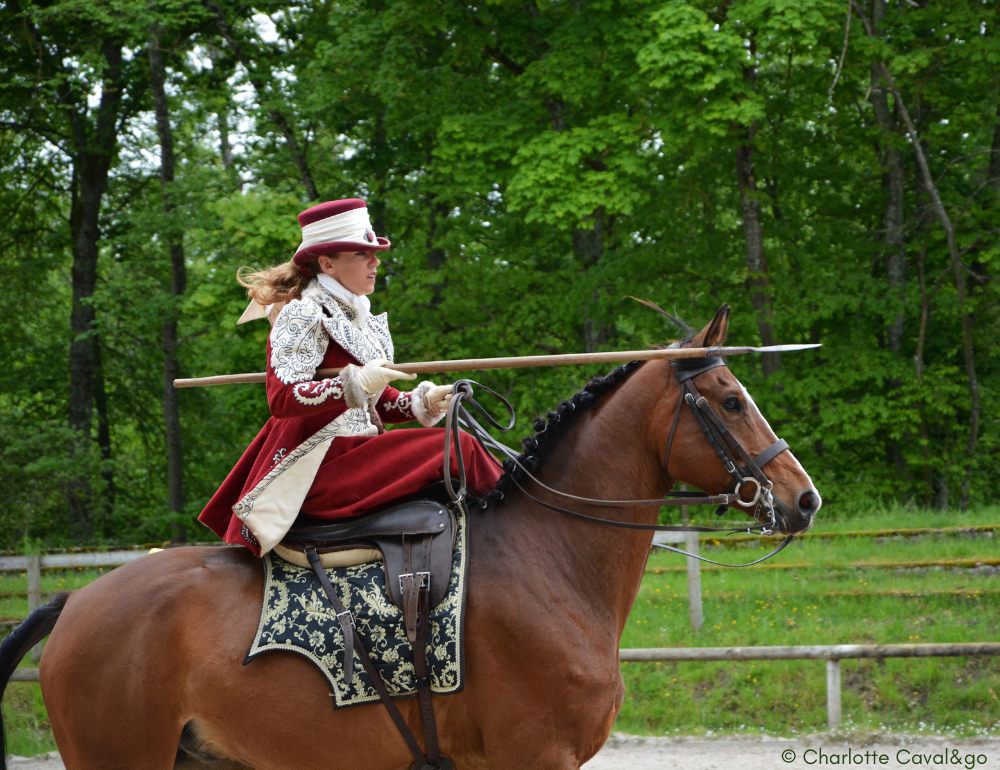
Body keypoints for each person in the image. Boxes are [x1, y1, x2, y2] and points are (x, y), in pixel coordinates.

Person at [199, 198, 502, 557]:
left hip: (358, 451)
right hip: (319, 467)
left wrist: (420, 401)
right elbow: (282, 399)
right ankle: (519, 530)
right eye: (362, 254)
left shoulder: (356, 313)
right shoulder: (304, 313)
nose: (375, 261)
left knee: (456, 442)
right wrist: (356, 383)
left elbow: (375, 401)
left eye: (373, 253)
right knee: (458, 446)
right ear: (327, 263)